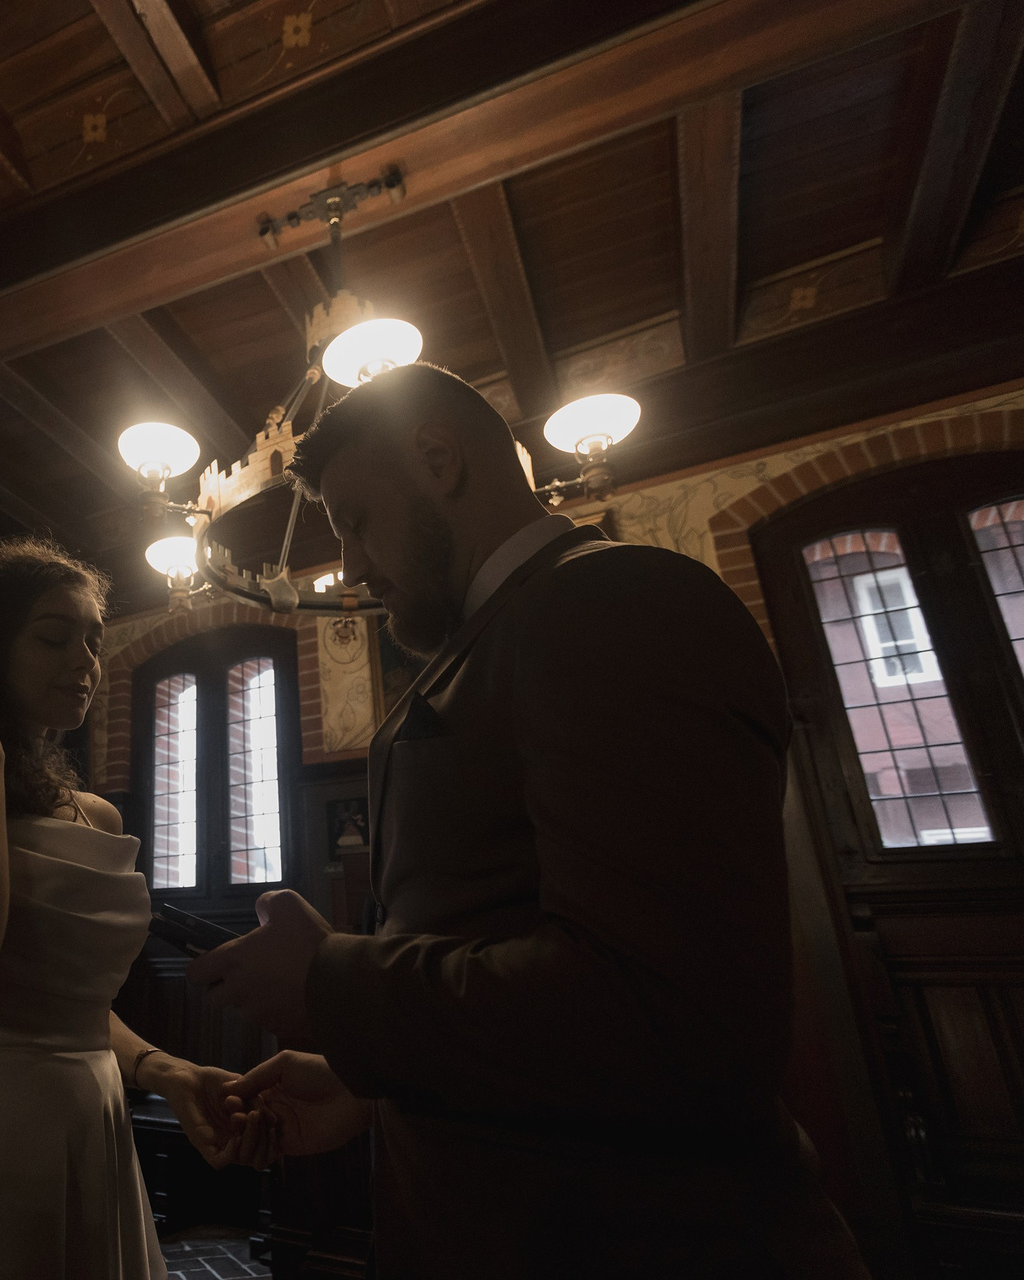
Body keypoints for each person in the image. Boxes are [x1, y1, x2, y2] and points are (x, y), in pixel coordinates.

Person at [189, 364, 868, 1277]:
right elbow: (505, 952)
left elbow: (666, 1017)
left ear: (439, 458)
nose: (350, 570)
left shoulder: (613, 600)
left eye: (356, 520)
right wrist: (371, 1088)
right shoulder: (508, 631)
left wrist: (331, 981)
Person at [0, 539, 268, 1280]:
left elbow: (69, 1009)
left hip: (91, 1115)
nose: (86, 661)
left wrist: (164, 1069)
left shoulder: (96, 815)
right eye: (53, 637)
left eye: (95, 641)